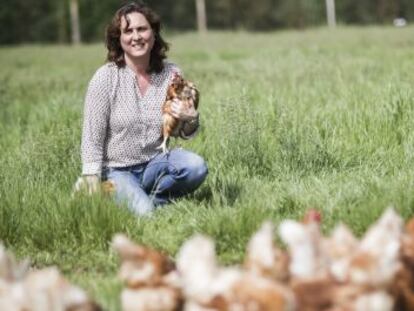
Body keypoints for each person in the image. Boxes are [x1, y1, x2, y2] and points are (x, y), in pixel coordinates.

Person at [78, 1, 208, 215]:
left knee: (197, 167)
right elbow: (91, 138)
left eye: (142, 29)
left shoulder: (171, 74)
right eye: (128, 31)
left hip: (155, 163)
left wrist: (191, 117)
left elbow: (181, 132)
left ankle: (144, 198)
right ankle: (117, 194)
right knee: (145, 214)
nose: (136, 36)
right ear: (118, 39)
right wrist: (91, 180)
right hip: (115, 170)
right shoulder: (105, 78)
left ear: (154, 33)